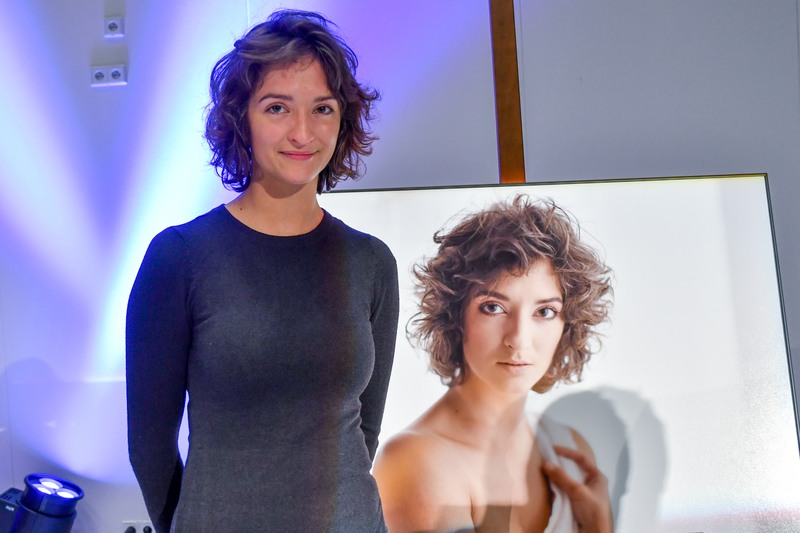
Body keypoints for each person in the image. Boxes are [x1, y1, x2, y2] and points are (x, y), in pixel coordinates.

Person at [126, 10, 399, 532]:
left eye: (322, 108)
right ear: (240, 118)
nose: (302, 132)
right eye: (277, 107)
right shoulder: (180, 257)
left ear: (343, 120)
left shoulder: (370, 262)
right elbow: (149, 445)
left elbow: (365, 430)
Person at [373, 196, 613, 533]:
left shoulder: (568, 450)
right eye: (494, 308)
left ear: (568, 323)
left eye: (544, 311)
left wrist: (600, 525)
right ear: (456, 316)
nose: (519, 339)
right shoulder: (417, 463)